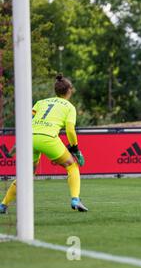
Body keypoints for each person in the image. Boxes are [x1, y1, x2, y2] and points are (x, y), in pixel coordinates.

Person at [0, 74, 88, 214]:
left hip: (29, 138)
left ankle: (3, 205)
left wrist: (20, 140)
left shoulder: (42, 102)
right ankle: (75, 199)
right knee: (72, 166)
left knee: (26, 175)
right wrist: (75, 148)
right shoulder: (70, 107)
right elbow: (70, 130)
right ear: (69, 91)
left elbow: (26, 118)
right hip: (48, 138)